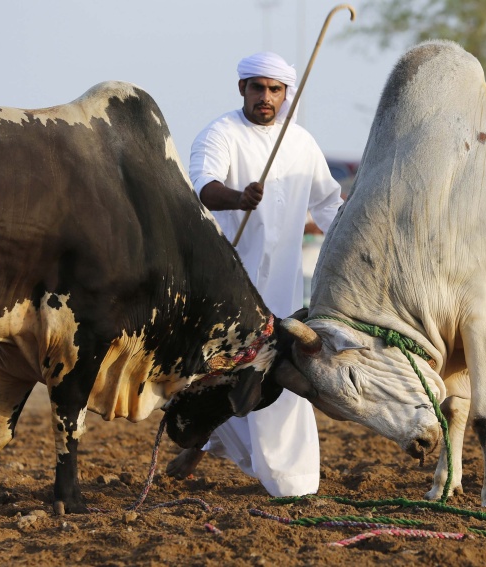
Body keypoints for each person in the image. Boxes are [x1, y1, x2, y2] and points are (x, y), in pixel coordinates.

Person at [166, 51, 343, 497]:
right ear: (241, 88)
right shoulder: (220, 133)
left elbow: (328, 205)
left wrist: (357, 241)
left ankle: (288, 479)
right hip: (229, 284)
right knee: (229, 373)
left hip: (282, 286)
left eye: (275, 89)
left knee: (278, 372)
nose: (266, 97)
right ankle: (227, 449)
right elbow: (204, 189)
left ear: (286, 95)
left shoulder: (300, 142)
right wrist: (237, 198)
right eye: (257, 87)